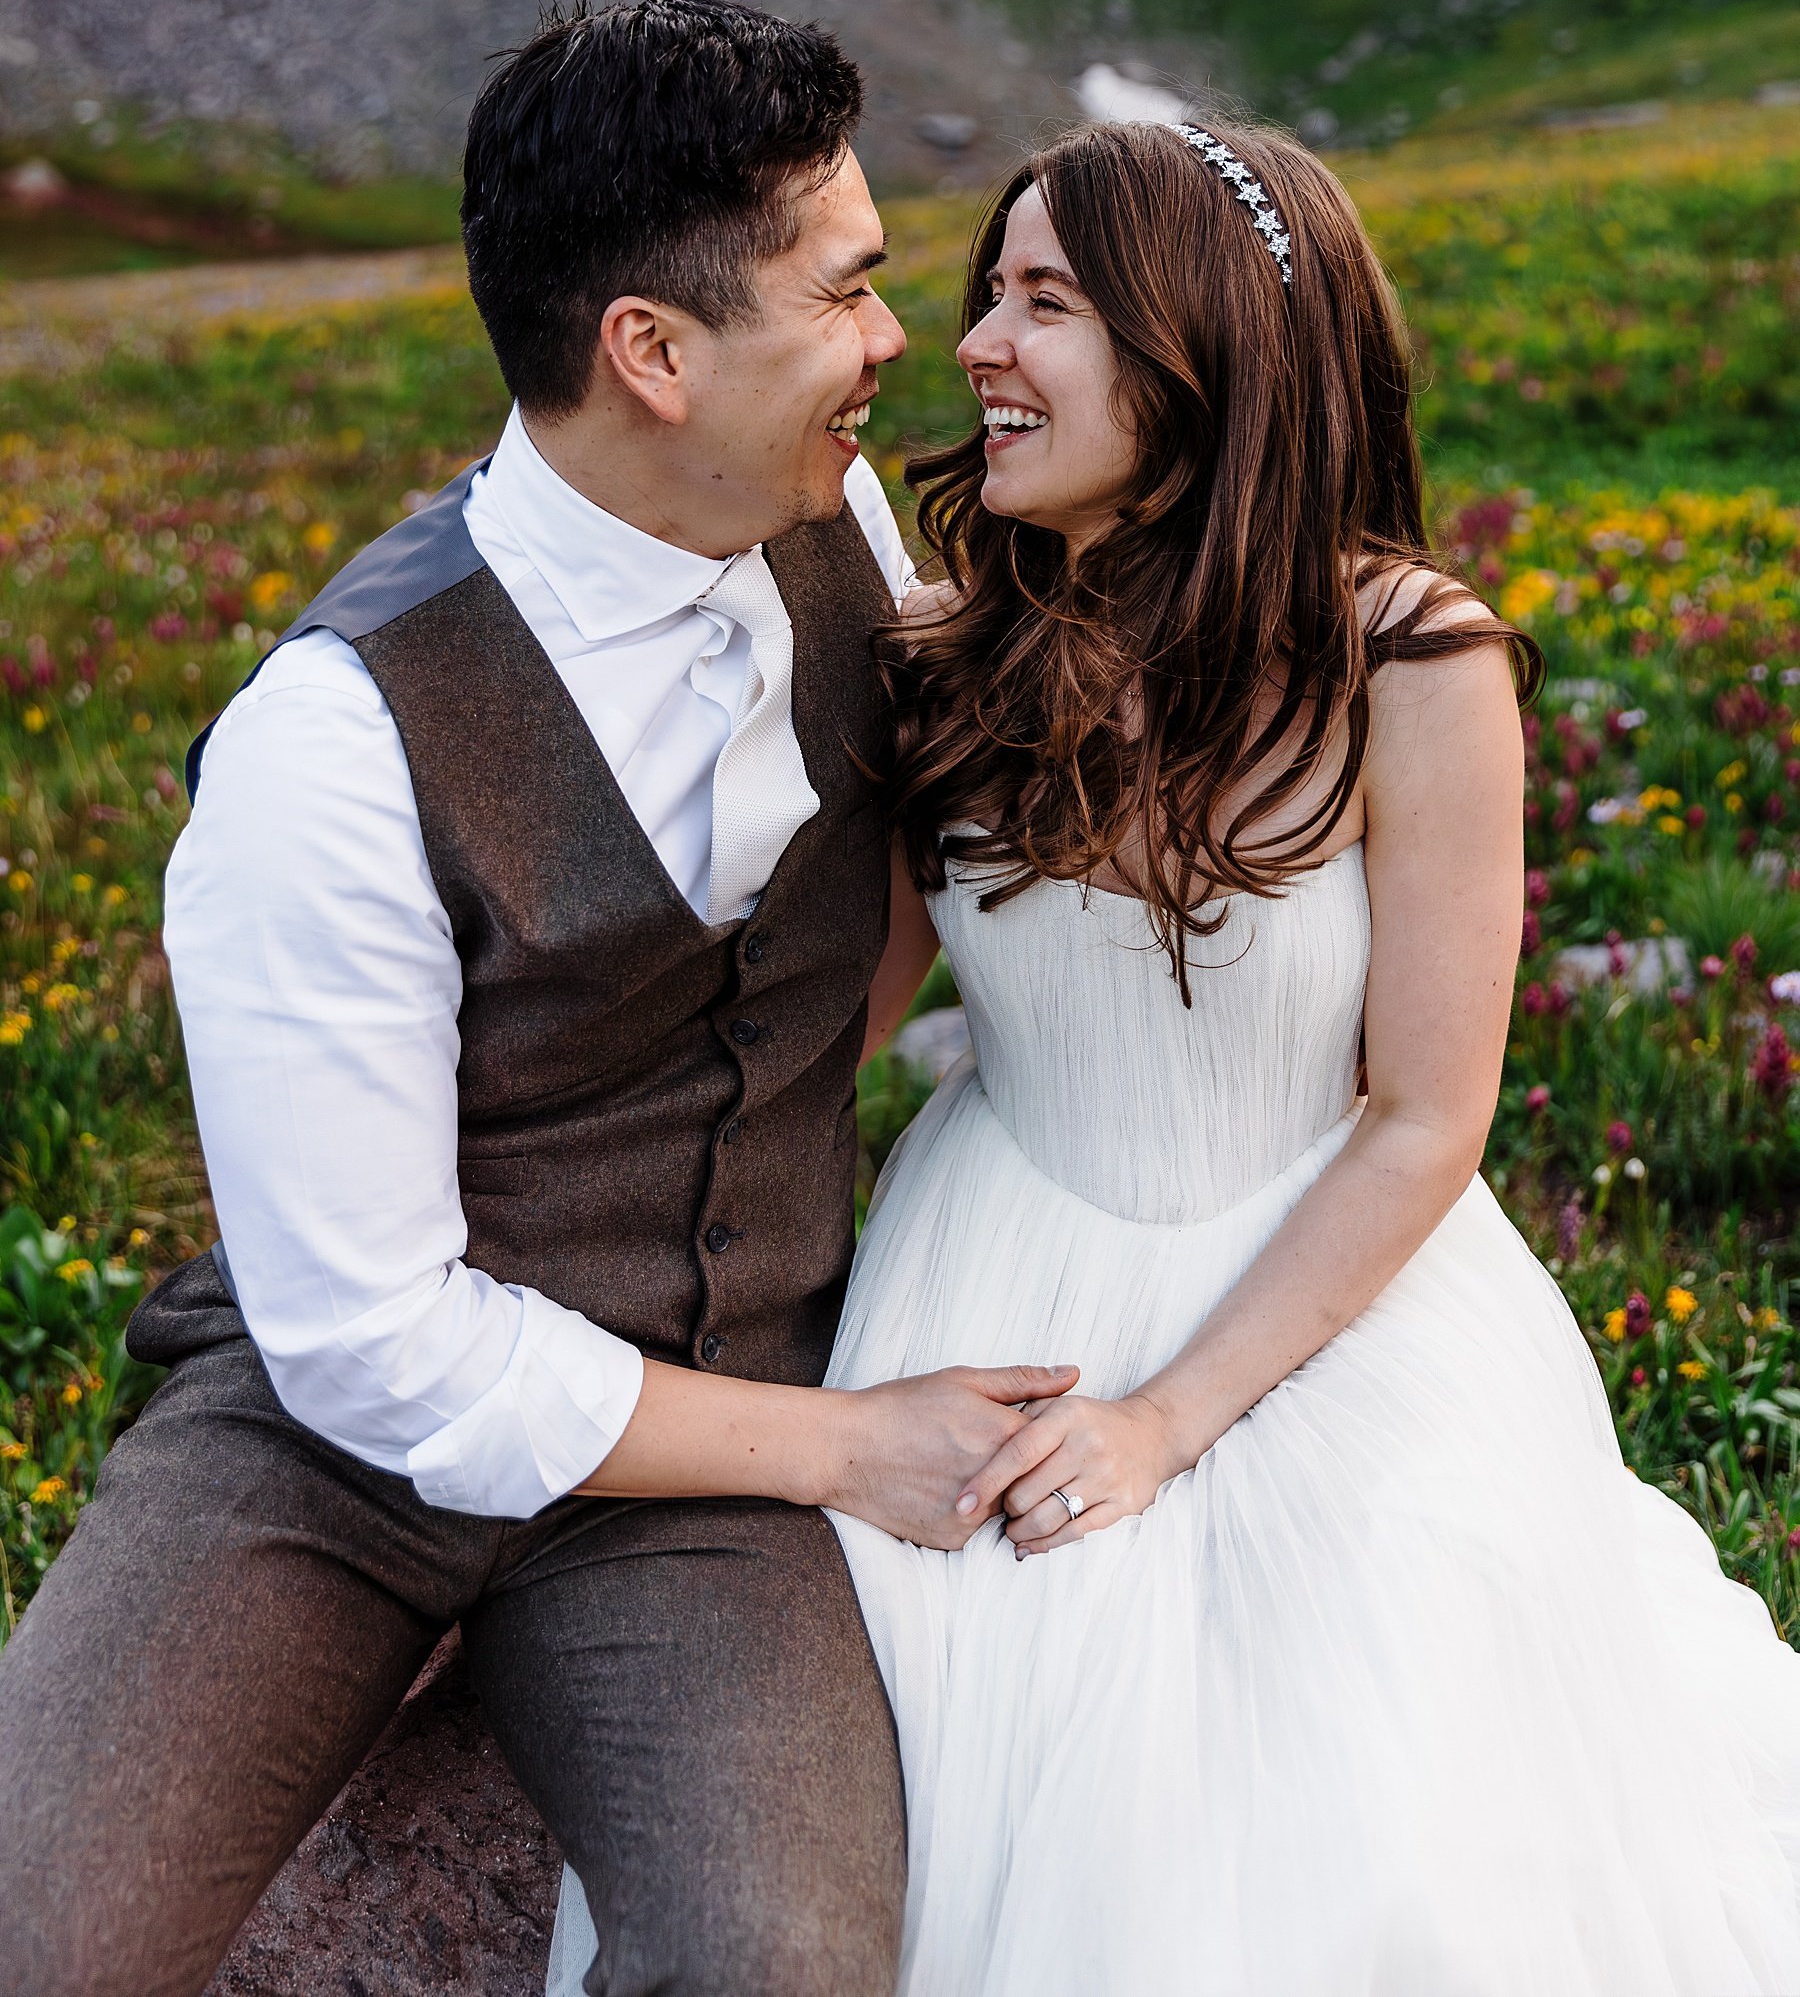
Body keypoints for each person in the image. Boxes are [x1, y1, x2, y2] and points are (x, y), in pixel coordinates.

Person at [586, 114, 1800, 1992]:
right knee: (904, 1748)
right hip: (999, 1256)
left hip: (1331, 1279)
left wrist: (1168, 1418)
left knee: (1377, 1813)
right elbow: (836, 1015)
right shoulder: (953, 648)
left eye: (1046, 300)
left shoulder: (1408, 654)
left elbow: (1429, 1116)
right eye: (986, 292)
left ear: (1204, 345)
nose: (975, 343)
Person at [0, 0, 1078, 1997]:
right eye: (847, 289)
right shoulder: (328, 746)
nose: (895, 340)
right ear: (650, 354)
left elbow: (905, 891)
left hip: (706, 1442)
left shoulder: (832, 515)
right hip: (339, 1456)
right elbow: (378, 1346)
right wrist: (845, 1447)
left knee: (774, 1965)